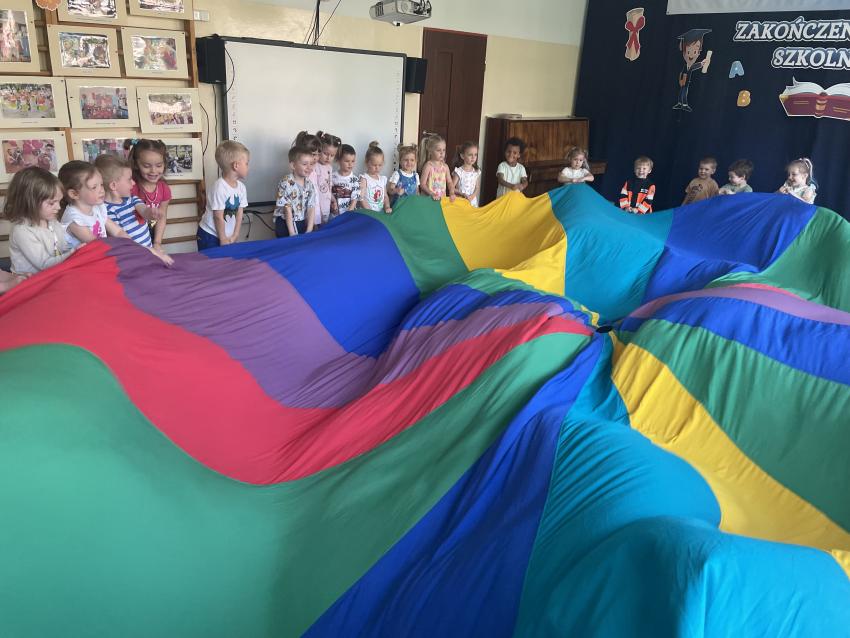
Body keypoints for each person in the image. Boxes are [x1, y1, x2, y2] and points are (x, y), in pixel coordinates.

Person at [6, 166, 76, 275]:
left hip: (53, 274)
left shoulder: (52, 221)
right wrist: (74, 253)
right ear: (29, 203)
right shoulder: (22, 231)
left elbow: (63, 248)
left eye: (59, 201)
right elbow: (44, 264)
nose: (58, 207)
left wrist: (78, 251)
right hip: (29, 281)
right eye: (51, 203)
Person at [197, 140, 250, 250]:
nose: (248, 167)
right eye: (246, 163)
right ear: (236, 166)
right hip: (210, 234)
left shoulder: (241, 188)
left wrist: (235, 235)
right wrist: (223, 239)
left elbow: (240, 213)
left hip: (227, 235)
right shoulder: (219, 188)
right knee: (212, 261)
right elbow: (218, 216)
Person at [96, 155, 154, 249]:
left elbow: (144, 211)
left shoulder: (132, 199)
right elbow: (120, 240)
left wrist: (151, 212)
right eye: (129, 179)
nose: (133, 183)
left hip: (149, 252)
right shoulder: (106, 211)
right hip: (133, 255)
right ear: (113, 186)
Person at [125, 138, 169, 251]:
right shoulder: (130, 187)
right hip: (131, 237)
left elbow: (162, 217)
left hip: (153, 234)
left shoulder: (164, 188)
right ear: (136, 164)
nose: (153, 170)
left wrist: (157, 242)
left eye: (158, 165)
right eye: (146, 166)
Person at [275, 145, 316, 237]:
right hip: (286, 223)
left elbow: (311, 207)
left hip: (301, 221)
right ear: (293, 165)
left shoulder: (309, 184)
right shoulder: (285, 183)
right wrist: (292, 232)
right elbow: (287, 209)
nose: (309, 167)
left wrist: (309, 230)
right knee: (288, 244)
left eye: (311, 164)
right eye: (305, 164)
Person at [294, 131, 323, 228]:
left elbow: (315, 192)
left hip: (314, 209)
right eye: (313, 154)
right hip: (304, 213)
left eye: (318, 154)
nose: (316, 158)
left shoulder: (314, 170)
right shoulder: (302, 172)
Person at [419, 134, 455, 202]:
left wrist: (452, 192)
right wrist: (432, 194)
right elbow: (422, 184)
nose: (442, 153)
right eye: (439, 150)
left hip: (441, 199)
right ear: (430, 151)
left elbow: (450, 182)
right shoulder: (428, 166)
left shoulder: (445, 167)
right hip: (428, 200)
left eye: (444, 150)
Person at [359, 142, 392, 214]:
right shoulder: (364, 179)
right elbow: (361, 198)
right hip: (368, 213)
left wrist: (387, 207)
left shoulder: (382, 179)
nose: (377, 168)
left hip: (380, 213)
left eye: (380, 165)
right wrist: (370, 212)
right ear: (366, 163)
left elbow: (385, 196)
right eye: (374, 165)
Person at [315, 132, 339, 224]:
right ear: (319, 150)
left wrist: (333, 199)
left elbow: (328, 188)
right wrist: (318, 210)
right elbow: (314, 191)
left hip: (326, 208)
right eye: (325, 153)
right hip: (316, 209)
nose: (328, 158)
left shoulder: (329, 168)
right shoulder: (315, 166)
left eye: (332, 155)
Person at [331, 144, 360, 218]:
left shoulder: (355, 180)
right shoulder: (332, 177)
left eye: (353, 161)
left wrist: (348, 213)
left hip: (349, 215)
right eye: (347, 161)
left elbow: (355, 199)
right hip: (334, 215)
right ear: (339, 160)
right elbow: (328, 194)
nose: (350, 164)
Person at [452, 141, 481, 206]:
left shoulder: (476, 171)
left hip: (472, 202)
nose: (473, 157)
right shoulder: (459, 171)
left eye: (475, 154)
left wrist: (472, 196)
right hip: (460, 201)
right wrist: (462, 194)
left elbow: (477, 187)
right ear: (462, 156)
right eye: (470, 155)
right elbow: (451, 188)